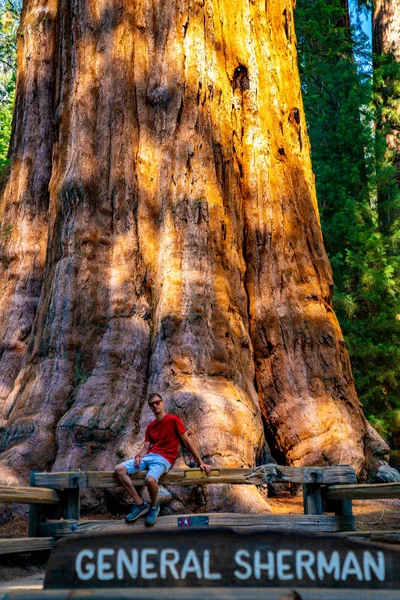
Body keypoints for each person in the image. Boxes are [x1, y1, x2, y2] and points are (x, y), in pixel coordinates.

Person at [115, 393, 213, 526]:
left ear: (162, 403)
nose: (155, 405)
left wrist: (201, 462)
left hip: (164, 458)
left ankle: (154, 506)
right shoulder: (150, 426)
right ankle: (140, 504)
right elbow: (146, 447)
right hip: (150, 456)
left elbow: (187, 442)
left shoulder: (174, 420)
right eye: (152, 404)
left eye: (157, 402)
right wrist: (138, 456)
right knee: (119, 469)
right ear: (150, 407)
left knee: (150, 479)